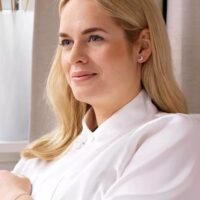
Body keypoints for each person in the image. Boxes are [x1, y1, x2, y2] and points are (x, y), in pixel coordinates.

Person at [1, 0, 200, 199]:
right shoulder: (41, 157)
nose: (75, 56)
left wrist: (15, 196)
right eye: (67, 42)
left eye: (94, 38)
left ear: (142, 46)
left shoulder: (177, 136)